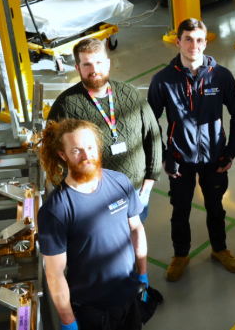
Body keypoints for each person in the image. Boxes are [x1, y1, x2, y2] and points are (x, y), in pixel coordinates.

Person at [37, 117, 177, 330]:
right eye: (75, 150)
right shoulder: (57, 209)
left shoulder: (117, 183)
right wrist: (68, 317)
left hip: (127, 294)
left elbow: (136, 231)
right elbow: (54, 274)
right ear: (63, 155)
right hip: (90, 309)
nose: (85, 154)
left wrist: (142, 276)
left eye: (89, 146)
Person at [145, 18, 235, 279]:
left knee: (216, 206)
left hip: (215, 159)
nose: (194, 45)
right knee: (181, 209)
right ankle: (180, 254)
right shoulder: (162, 80)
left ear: (206, 41)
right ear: (178, 41)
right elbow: (149, 122)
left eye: (199, 39)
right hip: (180, 160)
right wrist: (166, 155)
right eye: (188, 39)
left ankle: (220, 249)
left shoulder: (221, 76)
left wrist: (231, 151)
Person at [47, 38, 163, 208]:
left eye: (99, 62)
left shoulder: (131, 95)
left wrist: (152, 176)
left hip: (137, 192)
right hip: (96, 199)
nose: (94, 70)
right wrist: (73, 192)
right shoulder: (65, 106)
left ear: (108, 63)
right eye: (87, 65)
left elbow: (153, 135)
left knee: (136, 230)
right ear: (78, 68)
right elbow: (52, 154)